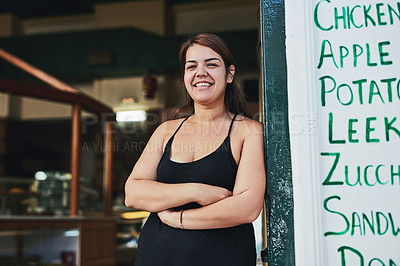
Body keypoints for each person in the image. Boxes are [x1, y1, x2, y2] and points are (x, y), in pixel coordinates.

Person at [124, 33, 266, 266]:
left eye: (211, 64)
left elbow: (246, 208)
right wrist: (196, 191)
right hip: (157, 256)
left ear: (230, 74)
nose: (200, 72)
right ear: (185, 76)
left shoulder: (248, 131)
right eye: (192, 66)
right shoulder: (166, 131)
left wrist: (178, 218)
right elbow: (134, 193)